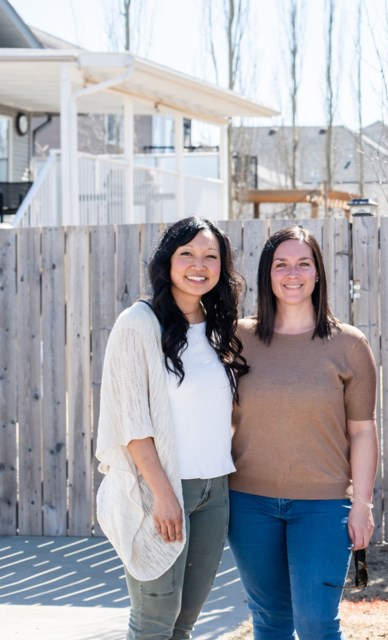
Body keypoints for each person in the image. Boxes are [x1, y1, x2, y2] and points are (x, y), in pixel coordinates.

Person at [95, 217, 247, 639]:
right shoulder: (138, 324)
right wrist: (163, 494)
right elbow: (132, 422)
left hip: (214, 491)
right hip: (158, 490)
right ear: (168, 261)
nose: (199, 264)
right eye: (188, 254)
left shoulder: (220, 327)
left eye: (210, 256)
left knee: (184, 624)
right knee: (153, 622)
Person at [229, 226, 379, 640]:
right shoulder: (238, 339)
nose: (292, 273)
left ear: (317, 274)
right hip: (248, 504)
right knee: (270, 622)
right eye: (281, 264)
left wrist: (362, 505)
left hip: (323, 505)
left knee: (315, 623)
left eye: (303, 264)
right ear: (267, 273)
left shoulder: (348, 344)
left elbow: (363, 431)